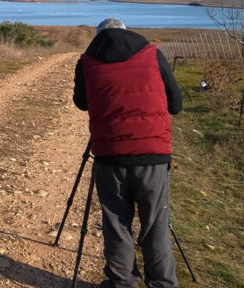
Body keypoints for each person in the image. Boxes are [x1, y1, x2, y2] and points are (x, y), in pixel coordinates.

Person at [73, 18, 183, 288]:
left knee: (116, 223)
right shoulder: (152, 53)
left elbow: (81, 103)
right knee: (155, 224)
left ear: (98, 36)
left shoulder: (87, 61)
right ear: (126, 31)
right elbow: (176, 104)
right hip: (153, 155)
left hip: (110, 155)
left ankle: (122, 282)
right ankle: (162, 284)